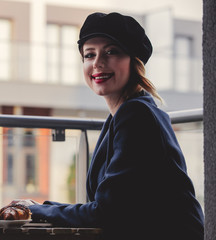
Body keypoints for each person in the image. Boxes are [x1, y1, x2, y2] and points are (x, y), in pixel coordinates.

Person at [14, 12, 205, 240]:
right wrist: (38, 207)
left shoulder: (137, 116)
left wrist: (34, 210)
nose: (97, 63)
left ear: (134, 61)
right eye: (89, 54)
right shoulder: (124, 113)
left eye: (111, 52)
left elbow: (106, 212)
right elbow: (106, 206)